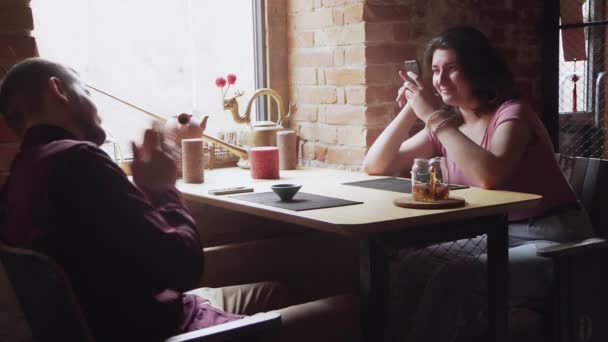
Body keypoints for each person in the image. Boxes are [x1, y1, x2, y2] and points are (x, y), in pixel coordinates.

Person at [0, 57, 360, 342]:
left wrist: (146, 190)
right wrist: (162, 188)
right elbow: (183, 267)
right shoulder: (78, 160)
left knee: (272, 290)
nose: (98, 109)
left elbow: (116, 251)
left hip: (118, 321)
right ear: (57, 90)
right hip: (161, 330)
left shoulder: (21, 175)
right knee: (354, 308)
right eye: (88, 93)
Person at [362, 26, 594, 341]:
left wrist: (432, 116)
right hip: (499, 232)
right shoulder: (450, 125)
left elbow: (489, 176)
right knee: (410, 265)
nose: (440, 79)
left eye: (452, 69)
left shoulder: (512, 114)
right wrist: (409, 110)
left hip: (556, 238)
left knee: (454, 277)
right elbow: (375, 165)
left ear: (477, 70)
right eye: (434, 71)